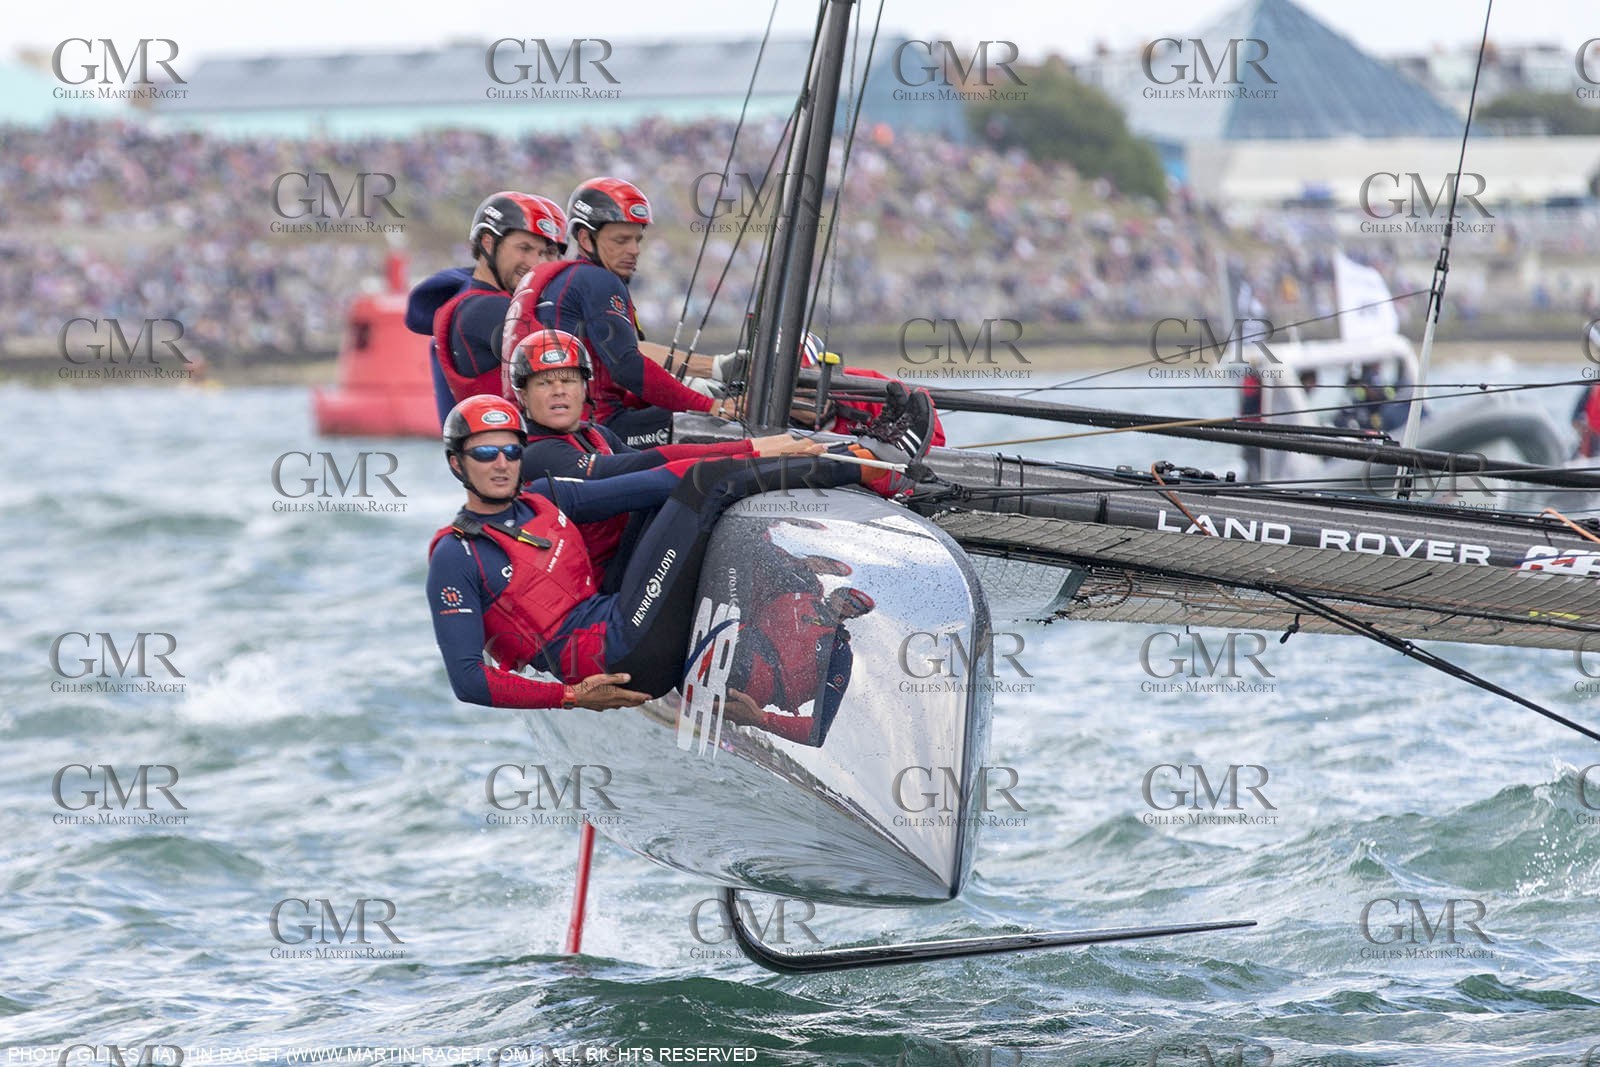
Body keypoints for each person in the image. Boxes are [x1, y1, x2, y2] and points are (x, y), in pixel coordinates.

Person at [426, 394, 935, 710]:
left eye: (511, 450)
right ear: (455, 464)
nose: (501, 464)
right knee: (704, 488)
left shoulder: (544, 497)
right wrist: (571, 697)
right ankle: (873, 469)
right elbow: (468, 680)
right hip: (618, 656)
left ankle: (847, 460)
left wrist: (755, 452)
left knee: (670, 496)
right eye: (485, 453)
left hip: (620, 618)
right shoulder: (456, 555)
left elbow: (656, 477)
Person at [506, 328, 825, 587]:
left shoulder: (596, 434)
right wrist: (752, 450)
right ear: (523, 396)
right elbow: (646, 466)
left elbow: (659, 464)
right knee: (689, 489)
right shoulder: (536, 453)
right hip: (598, 589)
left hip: (627, 563)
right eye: (544, 383)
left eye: (568, 380)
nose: (559, 391)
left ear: (584, 388)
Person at [504, 177, 739, 449]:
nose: (634, 250)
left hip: (561, 424)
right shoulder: (598, 280)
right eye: (621, 240)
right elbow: (628, 367)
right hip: (598, 428)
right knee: (737, 431)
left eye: (637, 240)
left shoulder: (566, 279)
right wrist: (711, 407)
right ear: (585, 239)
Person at [405, 191, 568, 425]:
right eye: (524, 248)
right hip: (508, 442)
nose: (537, 263)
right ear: (488, 243)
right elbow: (567, 365)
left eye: (545, 253)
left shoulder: (482, 301)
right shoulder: (488, 308)